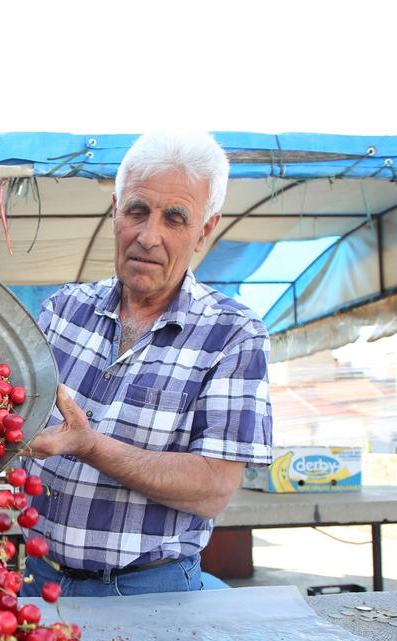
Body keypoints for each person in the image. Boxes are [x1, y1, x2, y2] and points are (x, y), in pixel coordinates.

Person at [19, 131, 272, 596]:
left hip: (152, 590)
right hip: (39, 579)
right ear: (115, 210)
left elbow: (214, 487)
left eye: (174, 218)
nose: (148, 236)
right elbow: (17, 420)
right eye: (136, 210)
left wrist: (90, 446)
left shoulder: (233, 334)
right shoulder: (62, 311)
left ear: (205, 231)